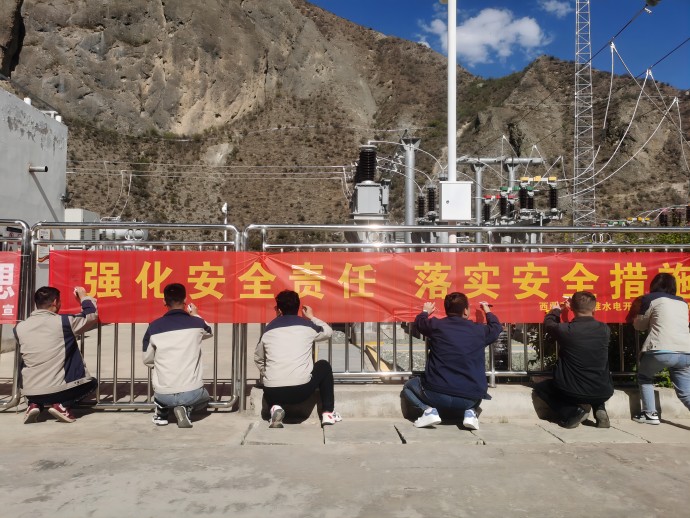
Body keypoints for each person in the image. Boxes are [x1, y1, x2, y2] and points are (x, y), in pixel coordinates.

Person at [401, 293, 502, 429]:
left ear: (446, 310)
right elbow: (496, 328)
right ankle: (471, 412)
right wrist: (487, 311)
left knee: (408, 386)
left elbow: (420, 323)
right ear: (465, 311)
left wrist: (425, 311)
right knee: (476, 392)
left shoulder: (436, 326)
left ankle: (428, 411)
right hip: (469, 398)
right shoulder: (479, 331)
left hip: (436, 394)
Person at [254, 290, 340, 428]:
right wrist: (311, 317)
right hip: (301, 391)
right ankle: (328, 413)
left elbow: (258, 358)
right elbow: (328, 332)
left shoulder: (268, 329)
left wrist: (266, 373)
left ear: (278, 309)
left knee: (273, 376)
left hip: (272, 392)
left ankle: (275, 408)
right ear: (298, 307)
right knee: (324, 365)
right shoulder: (307, 326)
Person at [14, 286, 98, 424]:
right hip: (58, 391)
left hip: (30, 392)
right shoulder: (64, 322)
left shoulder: (19, 328)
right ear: (54, 302)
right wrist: (83, 297)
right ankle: (63, 405)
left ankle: (34, 405)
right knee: (92, 383)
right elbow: (90, 316)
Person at [534, 292, 613, 429]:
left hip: (572, 391)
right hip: (604, 391)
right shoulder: (605, 329)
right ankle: (599, 407)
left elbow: (549, 324)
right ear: (594, 308)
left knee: (542, 388)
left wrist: (556, 311)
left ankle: (572, 412)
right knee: (594, 376)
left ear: (571, 308)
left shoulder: (566, 330)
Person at [142, 283, 212, 428]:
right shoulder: (197, 324)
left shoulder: (153, 327)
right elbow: (209, 331)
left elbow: (147, 359)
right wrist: (195, 314)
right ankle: (186, 408)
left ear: (164, 301)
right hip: (192, 393)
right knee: (205, 398)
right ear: (185, 300)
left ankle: (162, 410)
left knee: (164, 393)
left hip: (163, 393)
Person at [632, 272, 690, 424]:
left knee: (645, 377)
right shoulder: (682, 302)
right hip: (686, 351)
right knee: (686, 392)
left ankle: (650, 414)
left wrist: (636, 316)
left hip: (661, 349)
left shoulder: (650, 299)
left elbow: (640, 326)